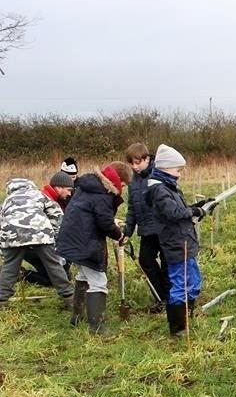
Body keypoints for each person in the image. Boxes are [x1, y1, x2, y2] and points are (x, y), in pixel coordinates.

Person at [56, 162, 133, 335]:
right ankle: (97, 327)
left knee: (83, 274)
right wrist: (119, 235)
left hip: (73, 238)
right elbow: (105, 222)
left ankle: (77, 315)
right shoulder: (102, 194)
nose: (122, 189)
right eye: (123, 185)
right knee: (99, 280)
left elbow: (94, 214)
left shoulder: (88, 185)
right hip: (84, 241)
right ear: (117, 180)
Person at [147, 145, 215, 337]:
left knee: (193, 281)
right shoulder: (159, 190)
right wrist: (194, 212)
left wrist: (199, 206)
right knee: (180, 284)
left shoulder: (169, 187)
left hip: (184, 240)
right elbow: (172, 213)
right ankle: (178, 328)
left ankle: (187, 316)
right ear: (166, 169)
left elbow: (180, 211)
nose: (179, 174)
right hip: (176, 244)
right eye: (177, 169)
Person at [0, 178, 75, 310]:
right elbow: (56, 215)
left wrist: (4, 251)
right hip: (40, 232)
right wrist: (56, 238)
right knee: (53, 264)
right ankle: (69, 298)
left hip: (12, 234)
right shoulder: (39, 194)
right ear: (30, 185)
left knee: (10, 266)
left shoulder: (7, 200)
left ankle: (2, 300)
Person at [122, 142, 169, 314]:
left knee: (167, 263)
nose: (135, 167)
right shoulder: (133, 181)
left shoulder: (160, 174)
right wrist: (128, 230)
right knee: (146, 261)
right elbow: (132, 208)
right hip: (147, 230)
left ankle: (171, 299)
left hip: (164, 228)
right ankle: (160, 297)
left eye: (138, 162)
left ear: (147, 159)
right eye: (132, 164)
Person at [21, 172, 74, 287]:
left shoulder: (39, 195)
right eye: (68, 190)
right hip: (33, 245)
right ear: (58, 188)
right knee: (59, 278)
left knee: (57, 276)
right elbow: (59, 234)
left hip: (17, 242)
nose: (70, 194)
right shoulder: (50, 203)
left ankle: (21, 274)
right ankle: (22, 274)